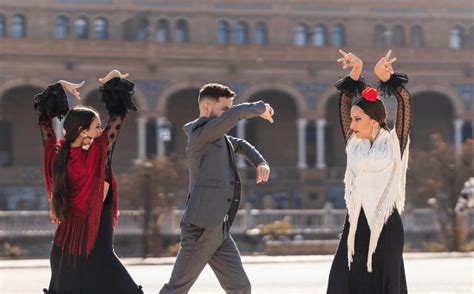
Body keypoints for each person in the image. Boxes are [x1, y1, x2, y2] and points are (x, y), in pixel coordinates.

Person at [35, 70, 143, 293]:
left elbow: (44, 121)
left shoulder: (54, 155)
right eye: (96, 127)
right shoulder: (98, 155)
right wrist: (114, 80)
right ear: (83, 132)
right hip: (96, 252)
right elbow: (118, 116)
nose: (101, 130)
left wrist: (58, 87)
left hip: (64, 252)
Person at [160, 83, 274, 294]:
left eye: (229, 110)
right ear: (206, 108)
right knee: (176, 289)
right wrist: (260, 108)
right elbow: (238, 114)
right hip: (200, 228)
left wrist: (260, 162)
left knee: (240, 287)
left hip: (218, 228)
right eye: (224, 110)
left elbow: (240, 144)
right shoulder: (201, 136)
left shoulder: (218, 138)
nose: (228, 115)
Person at [327, 49, 411, 294]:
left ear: (374, 121)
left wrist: (386, 78)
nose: (351, 125)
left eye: (357, 120)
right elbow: (344, 100)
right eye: (351, 120)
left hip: (386, 227)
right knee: (341, 282)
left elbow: (404, 102)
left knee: (383, 286)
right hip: (355, 225)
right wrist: (356, 71)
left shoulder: (395, 143)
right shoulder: (354, 145)